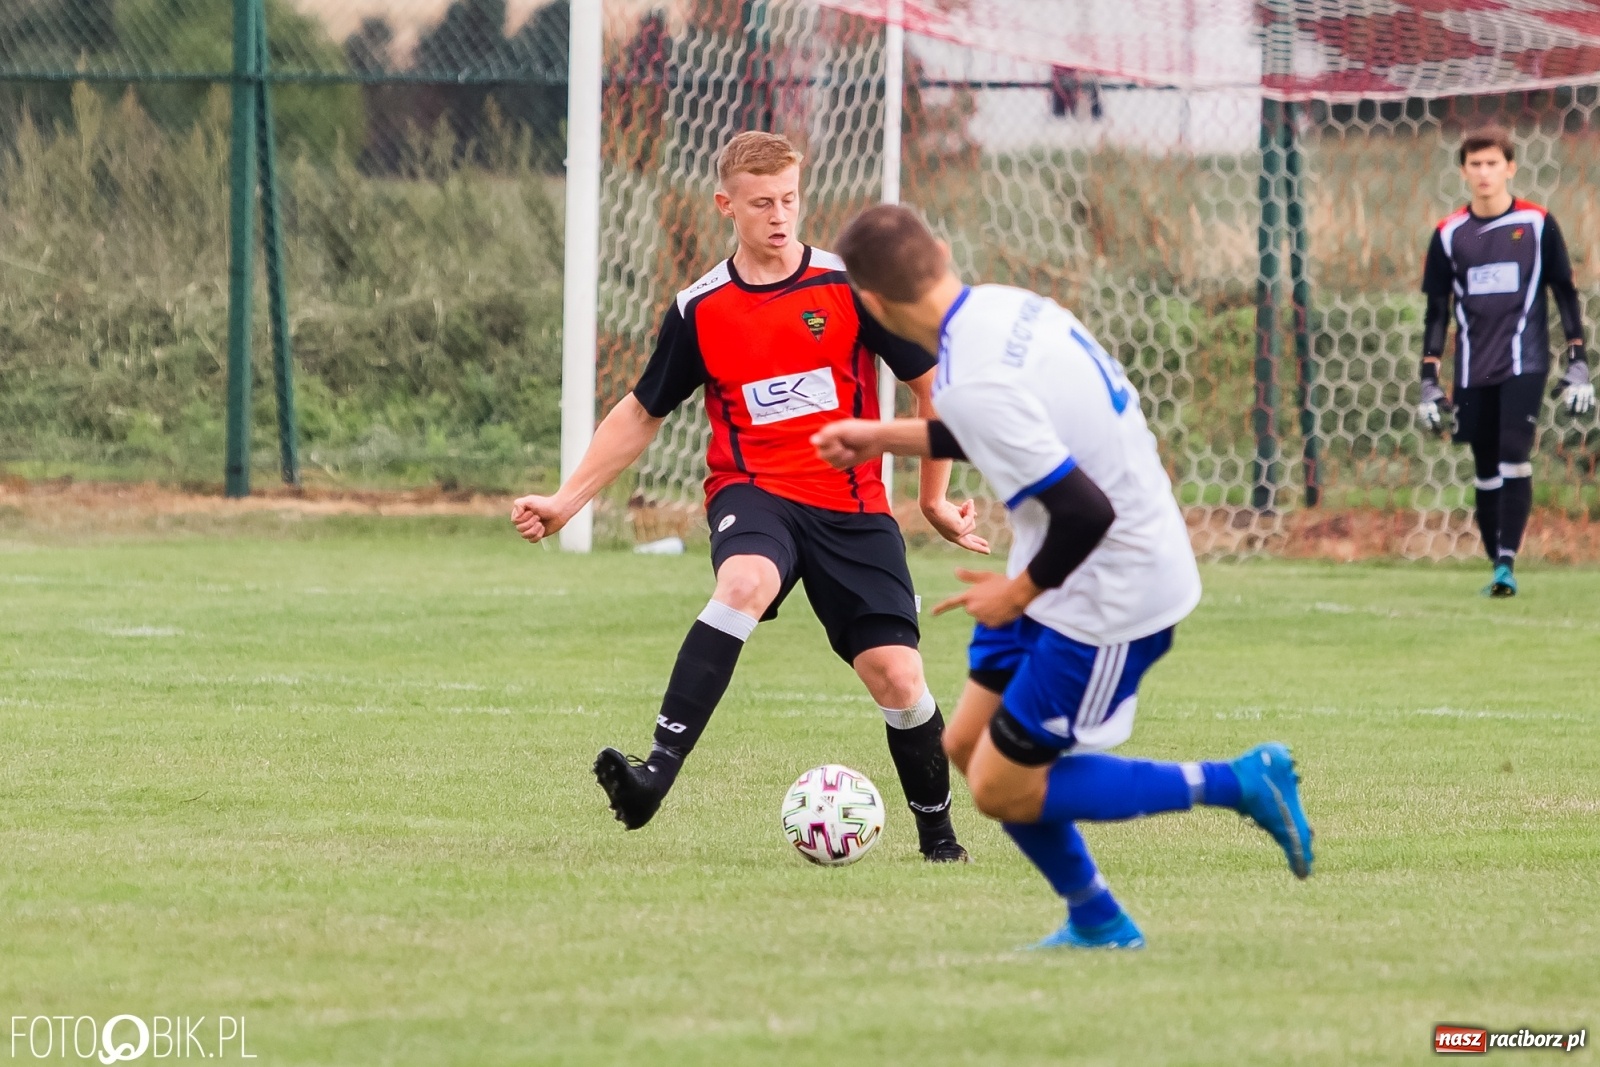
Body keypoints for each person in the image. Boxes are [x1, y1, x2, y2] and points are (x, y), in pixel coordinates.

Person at [812, 205, 1314, 949]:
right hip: (1065, 571)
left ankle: (1240, 780)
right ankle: (1096, 919)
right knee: (965, 743)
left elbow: (1085, 510)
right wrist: (883, 435)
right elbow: (1003, 418)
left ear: (872, 303)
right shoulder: (1004, 309)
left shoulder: (970, 377)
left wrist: (1013, 595)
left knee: (997, 785)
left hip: (1109, 589)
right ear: (943, 252)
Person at [511, 133, 987, 861]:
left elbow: (933, 385)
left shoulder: (849, 287)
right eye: (762, 202)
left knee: (898, 674)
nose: (779, 215)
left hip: (852, 507)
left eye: (790, 199)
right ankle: (650, 780)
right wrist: (569, 499)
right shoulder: (701, 308)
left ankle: (939, 838)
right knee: (743, 580)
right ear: (725, 204)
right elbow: (641, 412)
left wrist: (931, 500)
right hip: (755, 491)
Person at [1417, 125, 1592, 597]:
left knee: (1514, 453)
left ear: (1510, 167)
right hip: (1473, 367)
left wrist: (1579, 362)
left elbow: (1565, 295)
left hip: (1525, 362)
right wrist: (1428, 380)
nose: (1484, 173)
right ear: (1463, 171)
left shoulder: (1537, 224)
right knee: (1484, 466)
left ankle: (1507, 565)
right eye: (1475, 164)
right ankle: (1497, 565)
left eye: (1493, 163)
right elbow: (1436, 313)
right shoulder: (1449, 235)